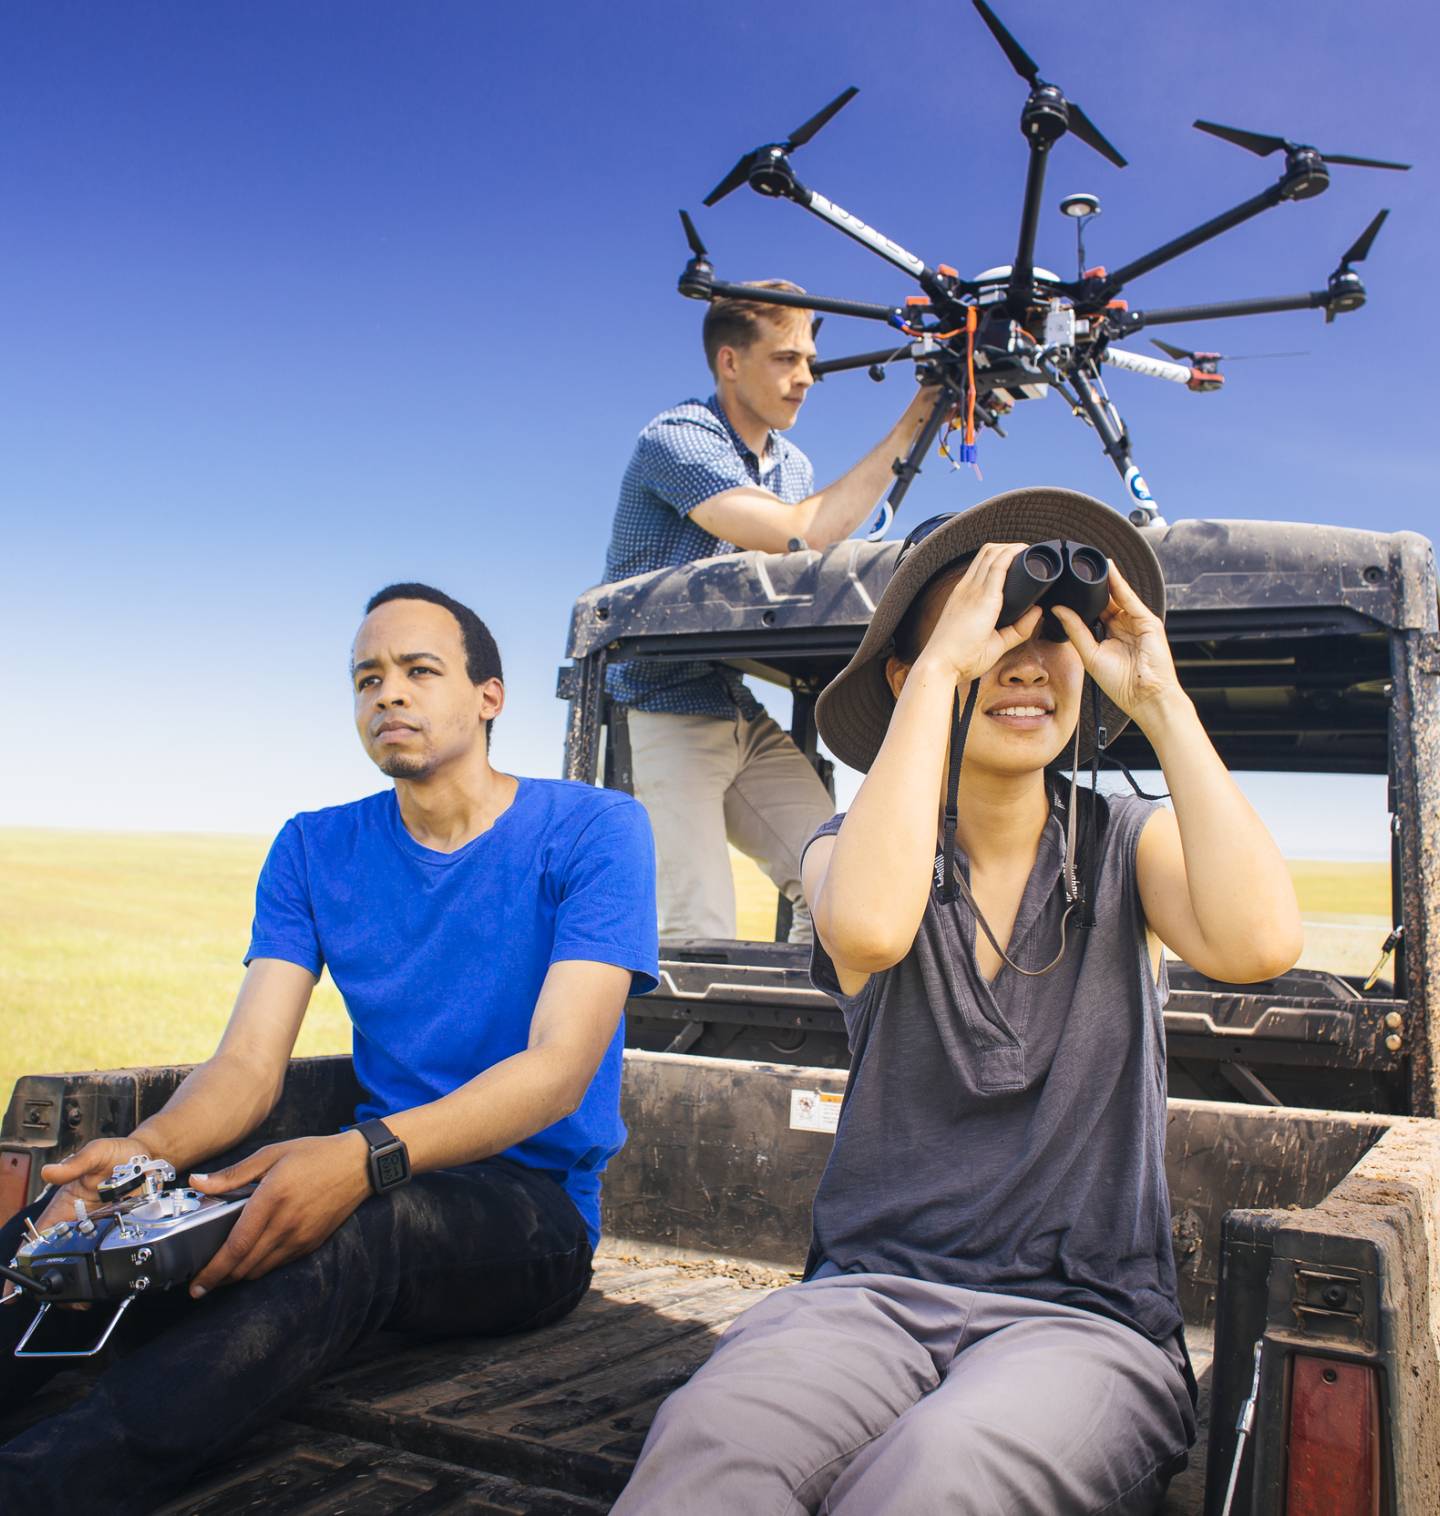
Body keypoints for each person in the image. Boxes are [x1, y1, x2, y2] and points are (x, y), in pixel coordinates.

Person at [612, 487, 1304, 1515]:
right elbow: (873, 929)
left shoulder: (1127, 842)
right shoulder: (857, 851)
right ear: (910, 677)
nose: (1025, 661)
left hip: (1086, 1321)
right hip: (862, 1302)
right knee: (708, 1455)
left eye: (1056, 634)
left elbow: (1261, 943)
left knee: (943, 1475)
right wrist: (938, 666)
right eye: (993, 633)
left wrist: (1160, 697)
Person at [0, 581, 658, 1513]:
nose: (387, 694)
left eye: (419, 671)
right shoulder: (313, 847)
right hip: (373, 1163)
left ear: (489, 696)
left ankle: (44, 1488)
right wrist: (145, 1158)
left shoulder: (595, 831)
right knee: (96, 1218)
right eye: (367, 678)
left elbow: (557, 1071)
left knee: (361, 1222)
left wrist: (365, 1157)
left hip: (531, 1213)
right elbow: (248, 1068)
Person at [603, 280, 941, 942]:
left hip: (733, 709)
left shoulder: (790, 465)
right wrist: (918, 417)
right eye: (787, 359)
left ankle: (812, 1036)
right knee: (695, 931)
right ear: (730, 362)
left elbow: (803, 573)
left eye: (810, 360)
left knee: (849, 878)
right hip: (657, 708)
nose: (807, 377)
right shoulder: (677, 438)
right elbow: (800, 534)